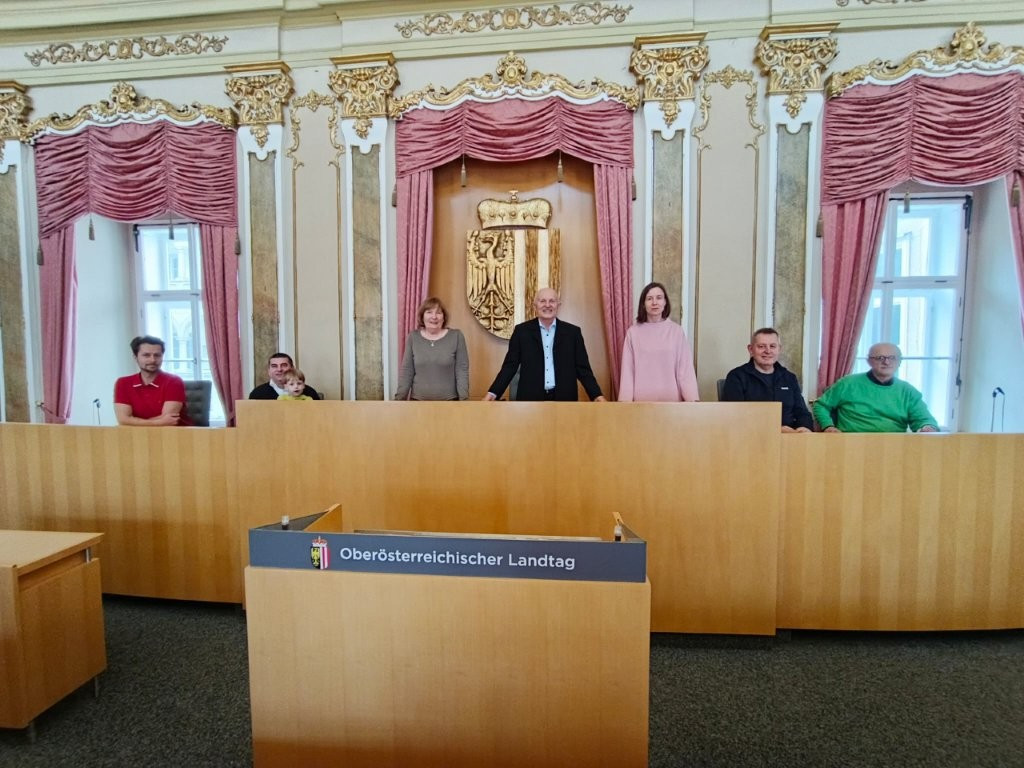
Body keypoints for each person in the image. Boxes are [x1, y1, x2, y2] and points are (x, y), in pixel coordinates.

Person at [483, 287, 606, 402]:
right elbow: (510, 366)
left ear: (558, 305)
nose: (547, 305)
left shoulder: (573, 333)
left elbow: (583, 370)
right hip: (530, 401)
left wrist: (597, 396)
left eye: (552, 301)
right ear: (535, 306)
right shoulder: (521, 331)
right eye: (542, 301)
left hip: (564, 400)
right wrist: (492, 393)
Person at [813, 342, 939, 433]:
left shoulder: (908, 391)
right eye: (880, 358)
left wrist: (927, 427)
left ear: (899, 362)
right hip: (851, 444)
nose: (886, 362)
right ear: (869, 361)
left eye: (892, 358)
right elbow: (821, 405)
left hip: (894, 446)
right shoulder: (848, 383)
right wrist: (828, 426)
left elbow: (924, 420)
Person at [618, 281, 699, 402]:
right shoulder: (633, 333)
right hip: (641, 403)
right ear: (643, 304)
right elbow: (628, 372)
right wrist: (624, 404)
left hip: (671, 403)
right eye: (649, 298)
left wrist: (693, 402)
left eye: (659, 298)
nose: (654, 302)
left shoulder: (676, 331)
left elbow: (685, 371)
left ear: (665, 302)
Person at [722, 327, 813, 433]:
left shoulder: (789, 377)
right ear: (751, 349)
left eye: (772, 346)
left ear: (779, 349)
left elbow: (802, 412)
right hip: (751, 436)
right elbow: (734, 417)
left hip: (790, 437)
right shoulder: (736, 377)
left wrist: (804, 428)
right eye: (761, 346)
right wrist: (776, 430)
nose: (768, 351)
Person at [394, 297, 469, 400]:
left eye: (438, 313)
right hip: (417, 403)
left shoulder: (456, 336)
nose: (434, 317)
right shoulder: (413, 337)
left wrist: (464, 401)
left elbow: (462, 371)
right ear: (422, 316)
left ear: (444, 317)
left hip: (449, 402)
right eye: (429, 312)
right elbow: (407, 371)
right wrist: (398, 400)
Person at [113, 335, 191, 426]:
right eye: (146, 355)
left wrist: (133, 422)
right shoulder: (123, 383)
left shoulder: (174, 382)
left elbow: (168, 420)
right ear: (135, 357)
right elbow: (123, 419)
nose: (152, 360)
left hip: (175, 433)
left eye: (157, 355)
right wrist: (158, 422)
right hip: (137, 434)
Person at [249, 352, 321, 400]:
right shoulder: (257, 394)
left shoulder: (309, 392)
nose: (279, 369)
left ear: (292, 368)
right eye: (274, 366)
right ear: (269, 371)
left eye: (284, 365)